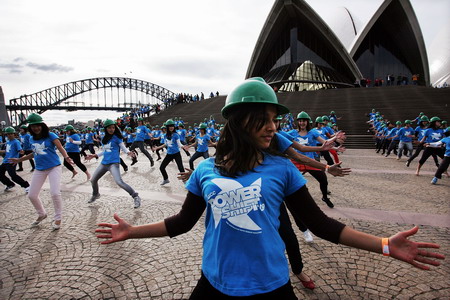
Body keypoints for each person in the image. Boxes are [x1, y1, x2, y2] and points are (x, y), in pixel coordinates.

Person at [96, 78, 444, 299]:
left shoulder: (282, 169)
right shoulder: (204, 169)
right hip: (214, 282)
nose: (273, 127)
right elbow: (182, 222)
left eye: (275, 120)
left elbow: (321, 225)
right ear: (240, 120)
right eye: (265, 119)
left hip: (271, 286)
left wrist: (384, 245)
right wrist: (131, 232)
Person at [9, 113, 74, 230]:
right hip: (39, 169)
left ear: (42, 125)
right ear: (30, 127)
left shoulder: (50, 135)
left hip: (54, 167)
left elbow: (60, 147)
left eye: (38, 125)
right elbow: (34, 153)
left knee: (55, 193)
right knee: (32, 195)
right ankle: (42, 214)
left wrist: (66, 157)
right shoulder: (31, 138)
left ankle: (58, 218)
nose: (36, 128)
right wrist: (19, 159)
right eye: (33, 126)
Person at [86, 119, 141, 209]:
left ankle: (135, 196)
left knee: (119, 182)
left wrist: (128, 152)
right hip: (104, 163)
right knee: (93, 180)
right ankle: (96, 194)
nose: (111, 129)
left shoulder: (117, 138)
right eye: (109, 128)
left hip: (113, 163)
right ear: (106, 129)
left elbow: (123, 148)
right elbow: (104, 151)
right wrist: (94, 155)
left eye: (113, 127)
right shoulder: (105, 138)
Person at [154, 119, 185, 186]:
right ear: (167, 127)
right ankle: (166, 179)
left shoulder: (176, 135)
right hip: (169, 154)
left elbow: (179, 144)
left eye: (172, 126)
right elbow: (165, 144)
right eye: (169, 126)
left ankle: (185, 181)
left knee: (180, 168)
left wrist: (183, 147)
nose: (171, 127)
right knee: (162, 167)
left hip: (176, 153)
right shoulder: (165, 135)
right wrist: (157, 148)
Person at [0, 127, 30, 192]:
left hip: (11, 161)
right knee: (0, 173)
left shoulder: (16, 142)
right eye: (8, 134)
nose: (9, 135)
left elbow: (20, 151)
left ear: (14, 134)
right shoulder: (8, 142)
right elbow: (7, 151)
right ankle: (9, 184)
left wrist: (19, 155)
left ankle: (26, 186)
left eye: (11, 134)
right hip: (5, 161)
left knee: (13, 175)